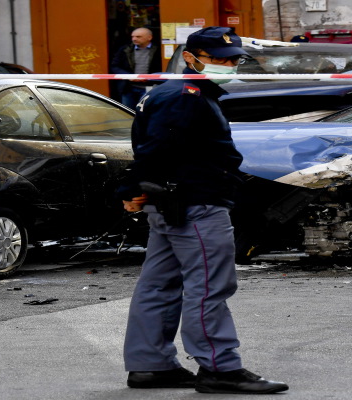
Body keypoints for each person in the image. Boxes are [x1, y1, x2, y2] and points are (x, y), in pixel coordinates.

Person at [117, 26, 288, 395]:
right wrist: (131, 186)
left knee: (159, 285)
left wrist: (137, 188)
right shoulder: (187, 97)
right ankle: (219, 368)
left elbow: (154, 148)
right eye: (219, 59)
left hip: (173, 203)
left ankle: (151, 364)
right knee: (209, 286)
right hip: (195, 204)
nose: (228, 65)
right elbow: (156, 150)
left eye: (233, 59)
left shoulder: (171, 92)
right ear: (191, 58)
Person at [111, 27, 162, 109]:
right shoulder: (125, 49)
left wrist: (151, 78)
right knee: (127, 113)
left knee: (146, 112)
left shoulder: (158, 50)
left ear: (149, 37)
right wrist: (129, 76)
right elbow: (115, 66)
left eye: (138, 37)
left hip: (150, 87)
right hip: (128, 88)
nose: (134, 39)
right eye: (132, 36)